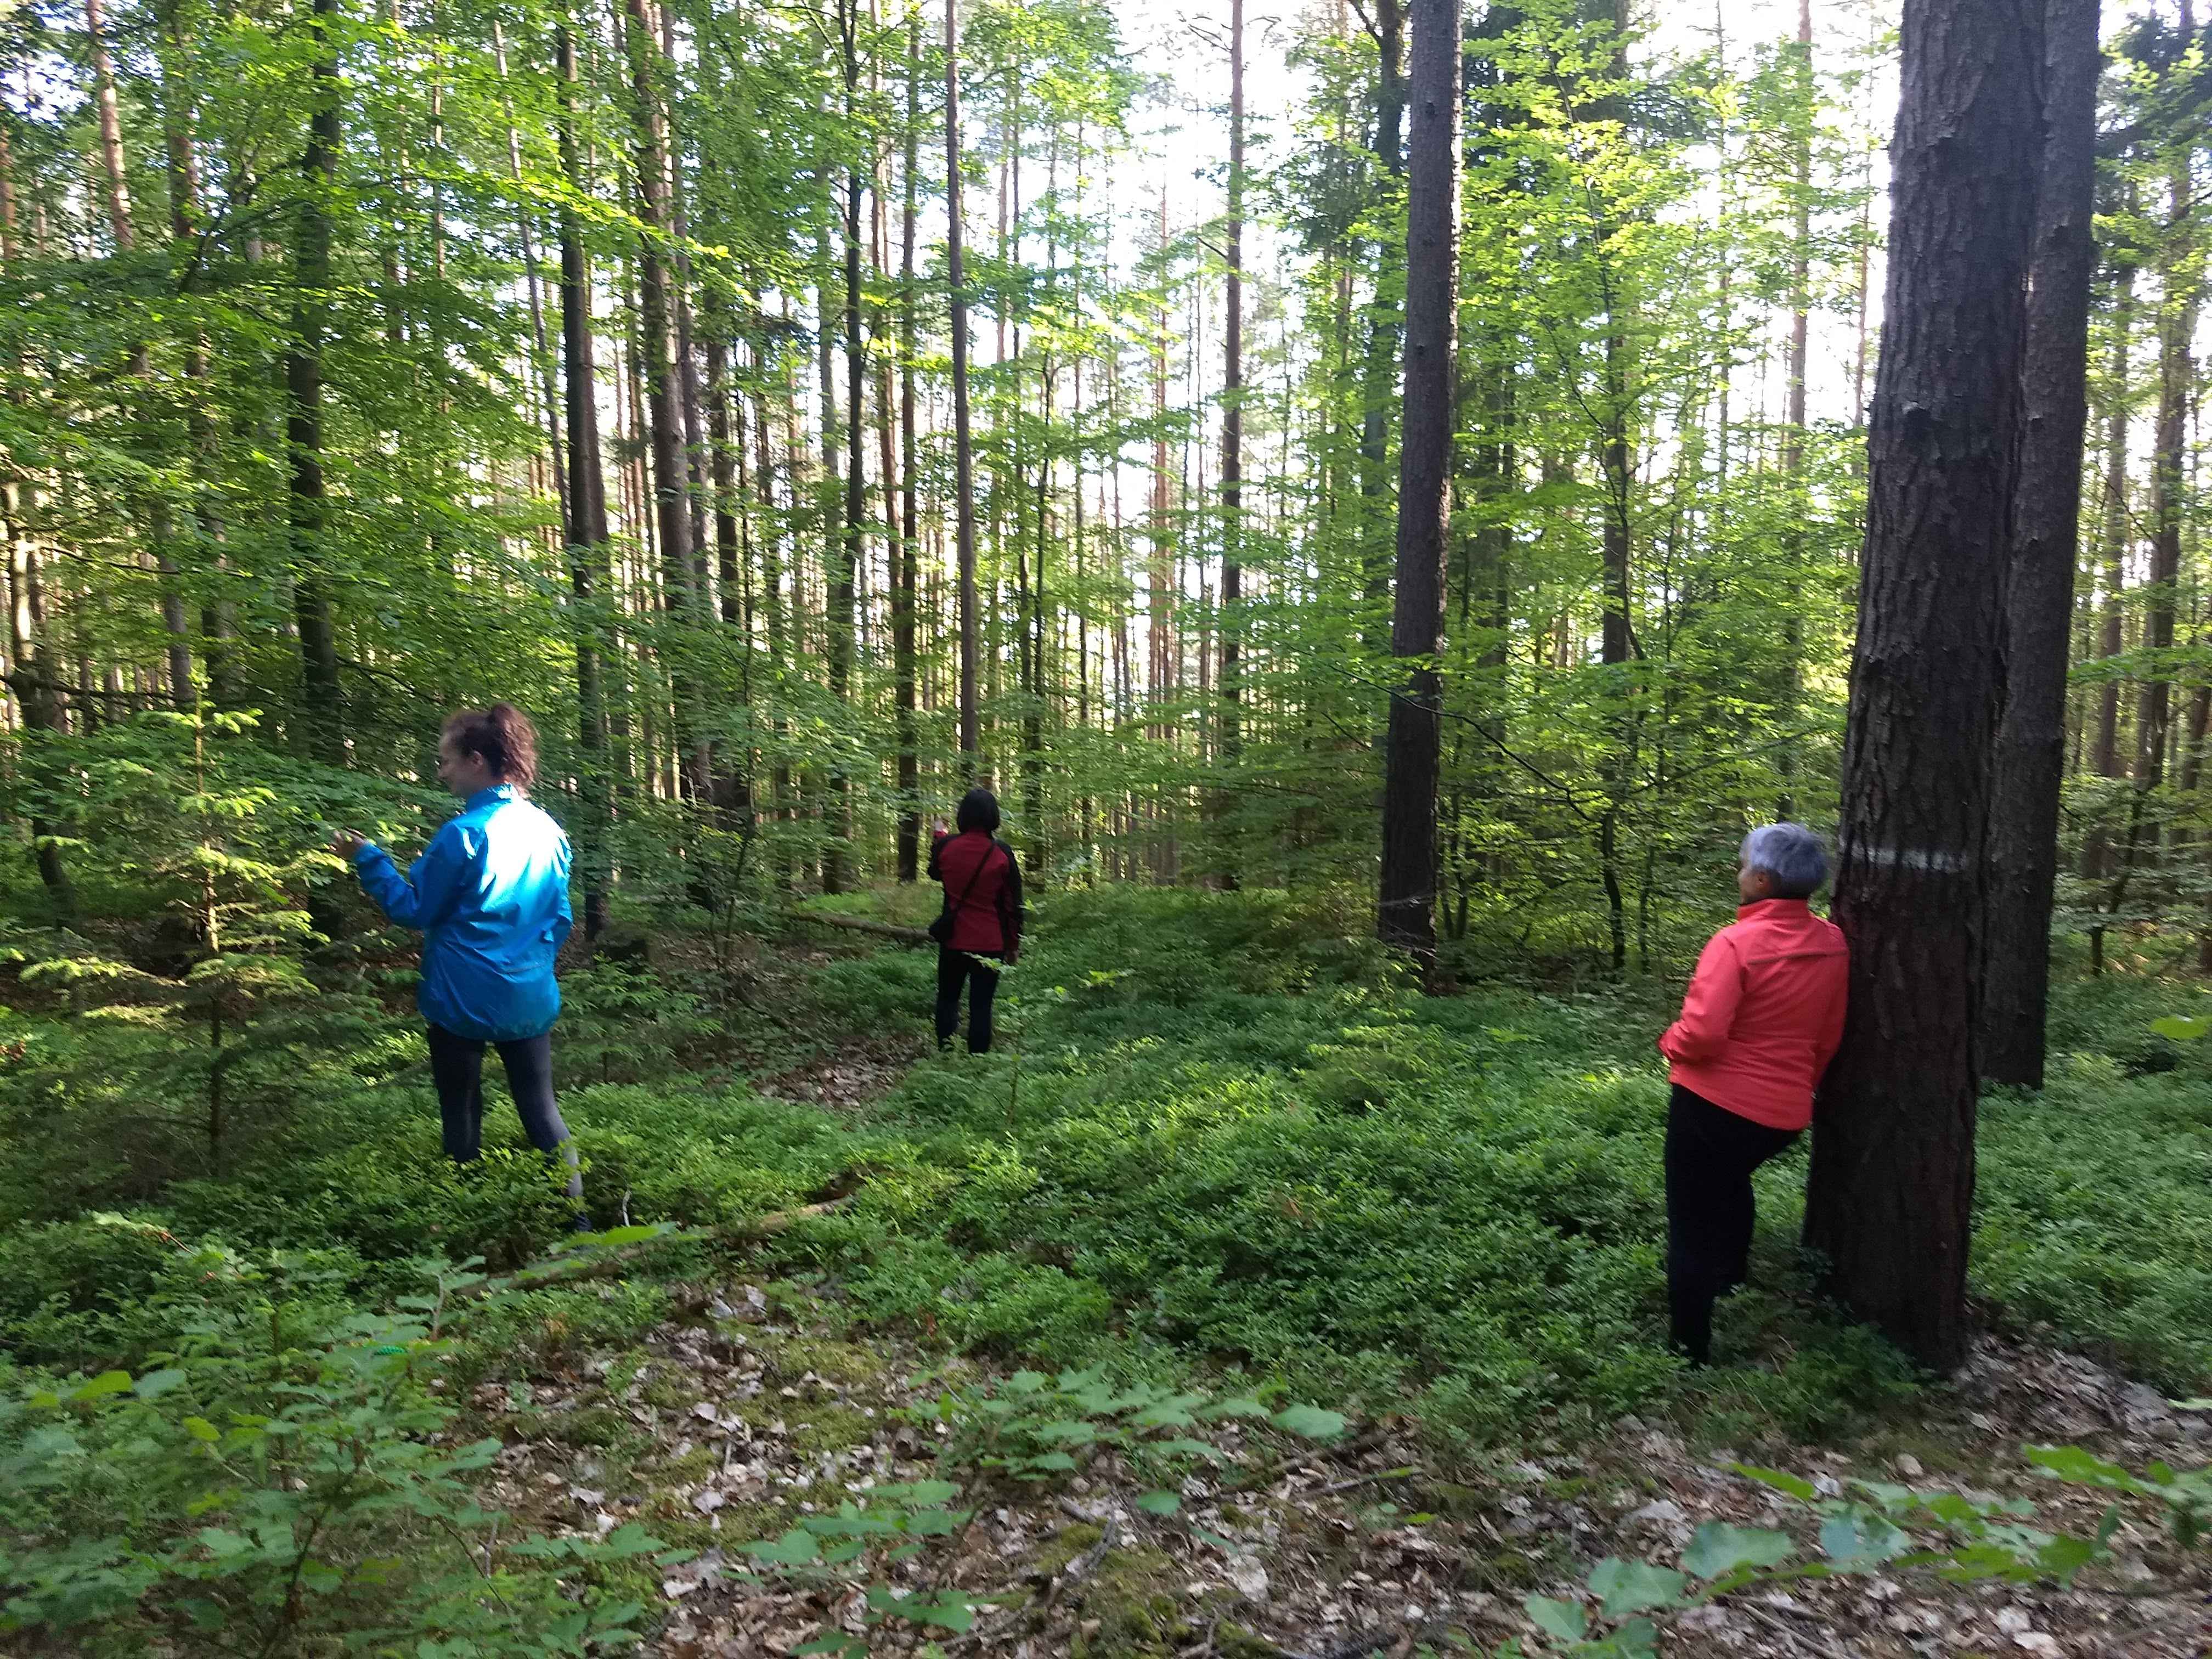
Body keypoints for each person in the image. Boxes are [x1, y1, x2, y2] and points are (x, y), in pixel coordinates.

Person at [331, 703, 586, 1224]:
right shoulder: (549, 831)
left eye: (445, 761)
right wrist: (530, 962)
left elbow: (413, 909)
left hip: (459, 997)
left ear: (476, 761)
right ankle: (579, 1224)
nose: (441, 772)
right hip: (528, 995)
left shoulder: (464, 834)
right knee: (542, 1112)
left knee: (462, 1112)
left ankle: (466, 1221)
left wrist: (368, 858)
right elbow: (560, 917)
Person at [1656, 822, 1848, 1365]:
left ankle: (1687, 1352)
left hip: (1711, 1107)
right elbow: (1828, 1038)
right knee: (1731, 1180)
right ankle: (1731, 1279)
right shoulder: (1833, 943)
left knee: (1690, 1223)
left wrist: (1670, 1042)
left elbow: (1702, 1035)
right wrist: (1798, 1088)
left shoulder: (1734, 942)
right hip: (1783, 1117)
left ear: (1761, 879)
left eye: (1742, 866)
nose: (1738, 874)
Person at [926, 787, 1024, 1054]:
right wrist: (1013, 944)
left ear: (963, 815)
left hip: (953, 939)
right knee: (982, 1006)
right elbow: (1013, 904)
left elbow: (934, 873)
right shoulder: (1001, 852)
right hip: (990, 942)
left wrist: (938, 838)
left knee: (948, 999)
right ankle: (977, 1063)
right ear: (993, 816)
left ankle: (946, 1056)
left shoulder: (947, 847)